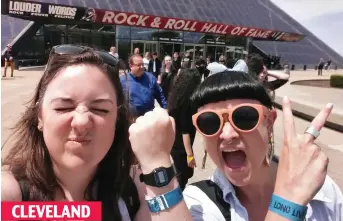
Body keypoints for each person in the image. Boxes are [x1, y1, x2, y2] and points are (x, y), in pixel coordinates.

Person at [1, 45, 338, 221]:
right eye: (209, 122)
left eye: (101, 109)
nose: (81, 121)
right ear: (38, 117)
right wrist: (288, 205)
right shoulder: (11, 197)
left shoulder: (129, 196)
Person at [182, 71, 342, 220]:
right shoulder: (197, 204)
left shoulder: (321, 189)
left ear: (269, 122)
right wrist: (287, 204)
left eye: (244, 117)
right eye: (209, 122)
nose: (227, 134)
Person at [167, 68, 201, 190]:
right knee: (181, 178)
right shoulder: (188, 102)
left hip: (173, 143)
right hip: (182, 148)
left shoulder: (176, 97)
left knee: (177, 176)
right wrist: (190, 154)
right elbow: (185, 131)